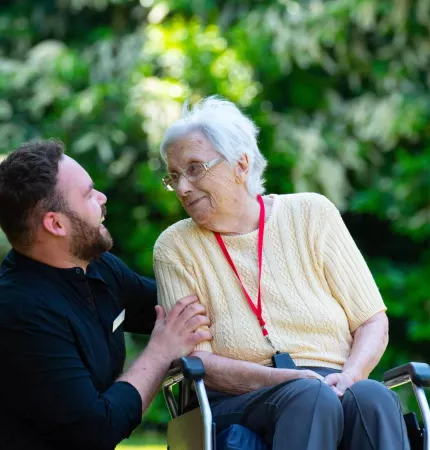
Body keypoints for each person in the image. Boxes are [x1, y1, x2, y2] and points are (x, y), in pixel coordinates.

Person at [152, 96, 410, 450]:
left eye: (195, 168)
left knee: (373, 398)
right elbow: (197, 359)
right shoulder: (176, 247)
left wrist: (350, 377)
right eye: (174, 176)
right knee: (308, 397)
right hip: (240, 398)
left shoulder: (312, 214)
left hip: (332, 382)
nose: (182, 187)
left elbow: (371, 321)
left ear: (241, 165)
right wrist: (284, 378)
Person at [0, 139, 212, 450]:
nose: (103, 198)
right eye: (89, 195)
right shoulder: (21, 314)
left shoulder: (99, 268)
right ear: (55, 224)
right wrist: (161, 352)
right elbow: (97, 430)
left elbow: (182, 309)